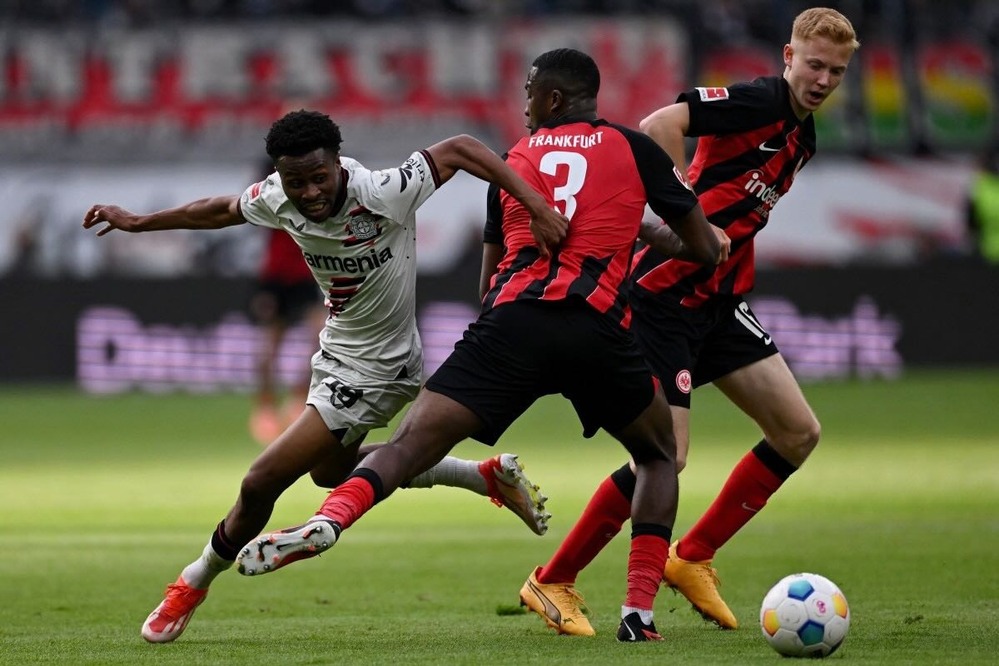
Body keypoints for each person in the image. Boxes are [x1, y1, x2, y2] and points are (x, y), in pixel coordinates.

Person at [235, 48, 722, 643]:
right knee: (658, 455)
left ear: (552, 99)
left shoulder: (514, 161)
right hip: (597, 326)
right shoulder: (636, 149)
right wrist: (649, 229)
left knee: (409, 445)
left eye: (528, 93)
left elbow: (489, 283)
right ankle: (638, 616)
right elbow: (702, 249)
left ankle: (330, 520)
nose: (524, 104)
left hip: (511, 326)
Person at [82, 109, 566, 643]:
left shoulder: (383, 192)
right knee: (330, 473)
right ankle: (481, 476)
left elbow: (462, 147)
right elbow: (218, 209)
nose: (309, 192)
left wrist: (536, 205)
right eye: (296, 182)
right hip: (336, 355)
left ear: (338, 162)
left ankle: (191, 583)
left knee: (260, 481)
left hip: (379, 368)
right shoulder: (276, 197)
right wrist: (139, 222)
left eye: (319, 177)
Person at [513, 7, 860, 636]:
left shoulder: (803, 137)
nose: (823, 80)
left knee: (797, 433)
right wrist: (686, 215)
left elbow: (743, 216)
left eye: (835, 72)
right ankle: (553, 578)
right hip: (665, 297)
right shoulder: (757, 101)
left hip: (719, 303)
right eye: (814, 65)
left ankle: (693, 556)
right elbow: (661, 123)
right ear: (788, 57)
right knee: (665, 457)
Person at [247, 173, 329, 445]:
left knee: (320, 337)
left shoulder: (312, 196)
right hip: (276, 276)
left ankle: (297, 399)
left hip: (306, 274)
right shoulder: (269, 197)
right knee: (270, 345)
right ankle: (265, 409)